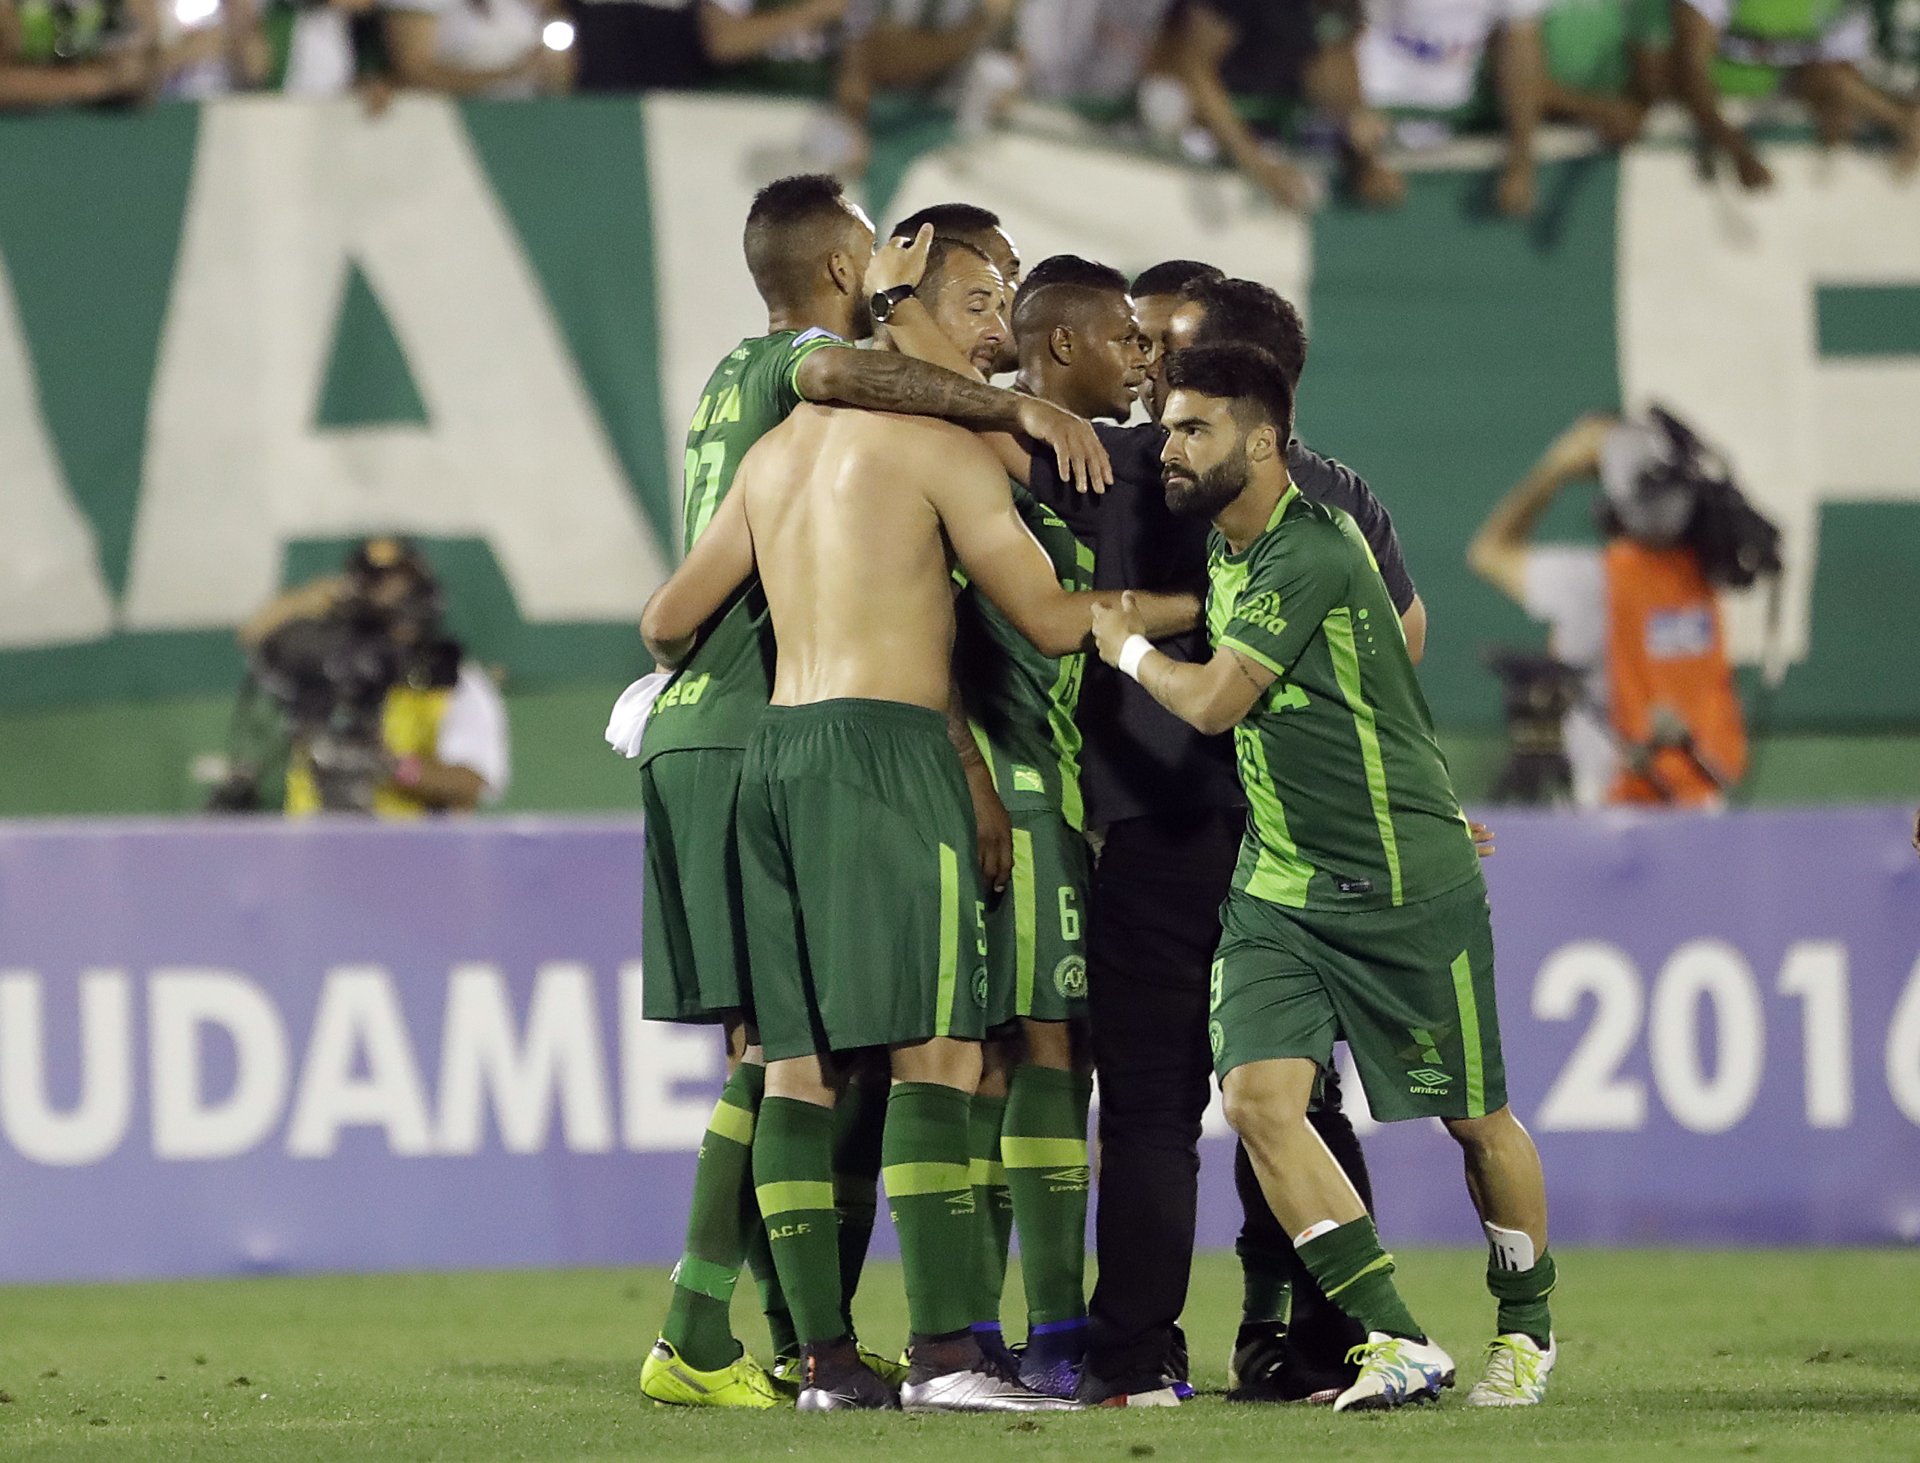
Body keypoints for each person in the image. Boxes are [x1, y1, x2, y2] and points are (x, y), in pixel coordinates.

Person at [641, 238, 1192, 1412]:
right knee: (938, 1052)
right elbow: (1048, 619)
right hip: (887, 753)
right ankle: (950, 1355)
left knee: (797, 1064)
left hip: (772, 756)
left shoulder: (775, 452)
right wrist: (1195, 603)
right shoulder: (940, 448)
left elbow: (668, 617)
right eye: (979, 306)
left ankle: (827, 1365)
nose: (993, 335)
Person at [1092, 342, 1560, 1412]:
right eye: (1168, 427)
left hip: (1401, 885)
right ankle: (1396, 1337)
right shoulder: (1230, 551)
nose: (1169, 447)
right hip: (1281, 889)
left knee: (1475, 1118)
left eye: (1194, 428)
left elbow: (1214, 702)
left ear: (1263, 440)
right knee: (1258, 1099)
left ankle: (1527, 1329)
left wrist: (1121, 644)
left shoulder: (1311, 545)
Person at [1024, 261, 1424, 1407]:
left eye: (1171, 348)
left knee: (1152, 1105)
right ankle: (1327, 1343)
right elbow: (1402, 639)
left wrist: (1030, 408)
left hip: (1163, 825)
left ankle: (1136, 1354)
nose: (1153, 368)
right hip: (1299, 837)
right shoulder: (1339, 495)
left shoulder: (1125, 462)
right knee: (1297, 1099)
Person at [954, 255, 1150, 1398]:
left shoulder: (1087, 467)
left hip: (1059, 793)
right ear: (1063, 345)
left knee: (1008, 1056)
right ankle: (1049, 1334)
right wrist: (977, 775)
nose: (1140, 358)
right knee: (1040, 1049)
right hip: (1020, 797)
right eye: (1124, 335)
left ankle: (983, 1331)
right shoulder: (983, 454)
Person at [1468, 408, 1751, 808]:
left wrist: (1555, 469)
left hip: (1616, 807)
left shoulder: (1595, 582)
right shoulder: (1705, 573)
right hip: (1704, 802)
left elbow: (1488, 551)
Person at [239, 537, 510, 817]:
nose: (388, 599)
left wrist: (392, 767)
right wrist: (317, 595)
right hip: (313, 833)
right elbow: (254, 634)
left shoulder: (452, 677)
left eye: (399, 584)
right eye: (375, 583)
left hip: (408, 839)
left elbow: (473, 782)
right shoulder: (328, 664)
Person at [1673, 0, 1920, 189]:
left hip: (1787, 101)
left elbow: (1838, 73)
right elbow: (1690, 72)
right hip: (1719, 102)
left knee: (1839, 83)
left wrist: (1837, 113)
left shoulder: (1841, 7)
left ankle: (1907, 120)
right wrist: (1735, 148)